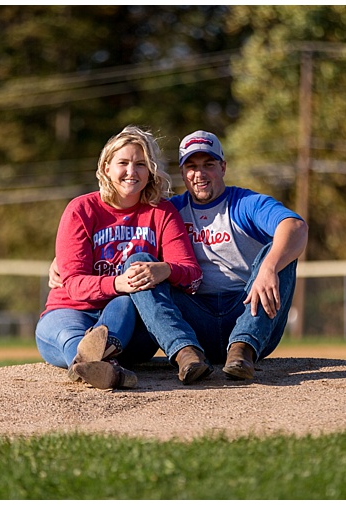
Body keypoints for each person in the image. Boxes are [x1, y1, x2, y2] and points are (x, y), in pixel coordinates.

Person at [51, 130, 308, 381]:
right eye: (192, 166)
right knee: (140, 263)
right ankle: (185, 353)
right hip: (196, 320)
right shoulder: (171, 209)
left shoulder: (244, 204)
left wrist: (270, 267)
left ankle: (243, 349)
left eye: (209, 164)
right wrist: (62, 258)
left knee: (277, 254)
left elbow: (295, 227)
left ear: (223, 167)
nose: (200, 174)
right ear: (183, 173)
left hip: (247, 310)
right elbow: (131, 238)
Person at [35, 126, 203, 389]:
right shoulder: (81, 209)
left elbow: (192, 274)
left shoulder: (162, 212)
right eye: (122, 163)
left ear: (150, 171)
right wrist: (117, 283)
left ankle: (99, 364)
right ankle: (100, 367)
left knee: (124, 303)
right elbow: (74, 283)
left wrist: (166, 270)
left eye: (140, 164)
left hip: (131, 326)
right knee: (72, 337)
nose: (131, 171)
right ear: (106, 168)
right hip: (71, 311)